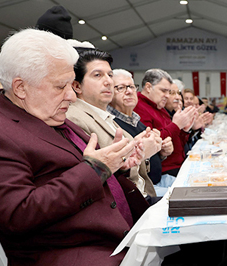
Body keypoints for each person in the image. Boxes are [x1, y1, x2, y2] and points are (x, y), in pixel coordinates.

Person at [0, 28, 149, 265]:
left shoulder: (43, 112)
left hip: (117, 236)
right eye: (60, 87)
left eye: (71, 85)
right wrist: (97, 169)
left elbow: (77, 168)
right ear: (20, 88)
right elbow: (18, 213)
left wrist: (116, 165)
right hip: (78, 254)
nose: (71, 96)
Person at [66, 49, 159, 199]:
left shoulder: (104, 116)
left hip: (141, 197)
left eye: (110, 75)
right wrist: (141, 155)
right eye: (98, 75)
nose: (109, 81)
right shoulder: (75, 119)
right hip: (127, 206)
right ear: (77, 86)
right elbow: (101, 178)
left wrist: (139, 150)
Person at [107, 69, 174, 197]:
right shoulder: (111, 124)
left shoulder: (136, 120)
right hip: (142, 189)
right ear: (108, 92)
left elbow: (149, 154)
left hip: (156, 181)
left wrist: (161, 151)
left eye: (132, 86)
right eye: (121, 88)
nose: (130, 91)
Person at [134, 69, 198, 185]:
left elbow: (176, 142)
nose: (167, 96)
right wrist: (176, 125)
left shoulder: (159, 107)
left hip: (175, 166)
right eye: (164, 91)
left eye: (170, 92)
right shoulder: (139, 107)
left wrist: (185, 129)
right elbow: (150, 143)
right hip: (164, 172)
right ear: (148, 87)